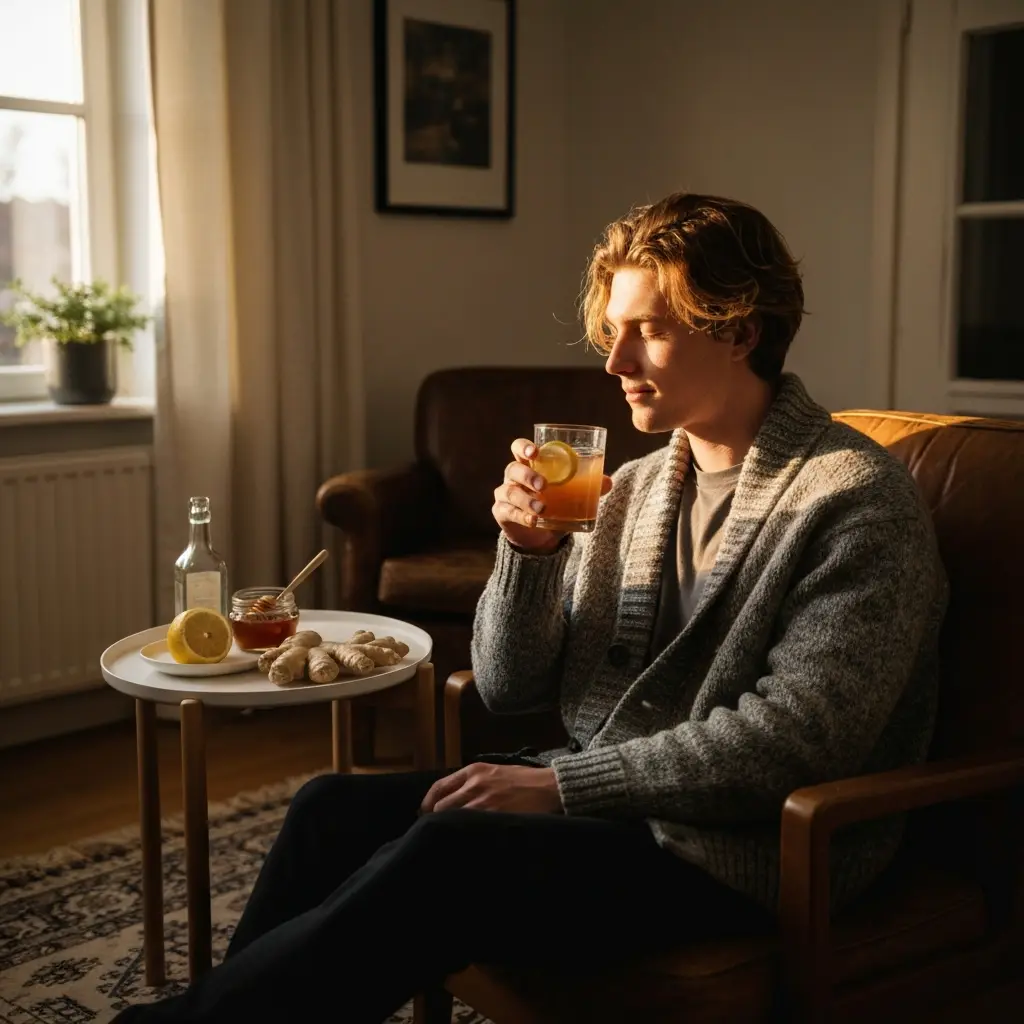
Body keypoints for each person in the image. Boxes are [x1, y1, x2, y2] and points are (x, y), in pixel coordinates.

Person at [116, 193, 947, 1023]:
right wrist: (530, 554)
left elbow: (799, 741)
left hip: (747, 847)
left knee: (454, 853)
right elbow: (511, 685)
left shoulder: (856, 502)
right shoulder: (632, 490)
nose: (616, 362)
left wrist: (564, 788)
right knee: (327, 810)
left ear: (739, 330)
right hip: (622, 804)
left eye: (649, 330)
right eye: (612, 331)